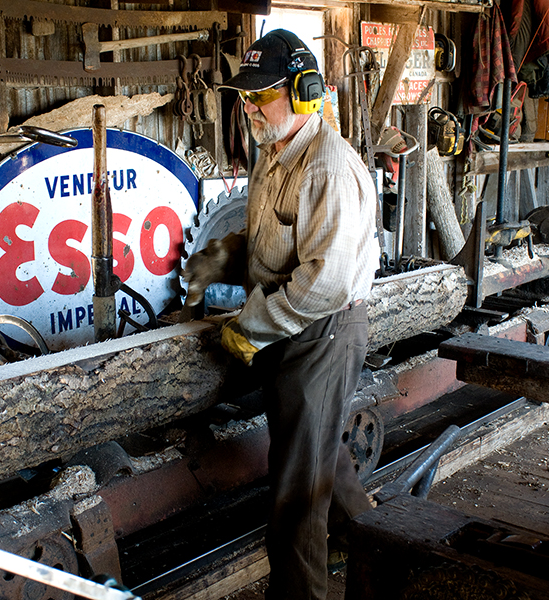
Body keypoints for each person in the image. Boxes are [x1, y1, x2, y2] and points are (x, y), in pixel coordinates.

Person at [181, 29, 380, 600]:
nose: (248, 108)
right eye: (244, 97)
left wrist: (248, 329)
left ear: (303, 93)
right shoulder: (275, 155)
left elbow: (324, 283)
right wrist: (219, 260)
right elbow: (273, 242)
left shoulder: (326, 168)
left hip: (322, 330)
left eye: (260, 96)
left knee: (295, 497)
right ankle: (377, 542)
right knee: (316, 457)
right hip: (295, 324)